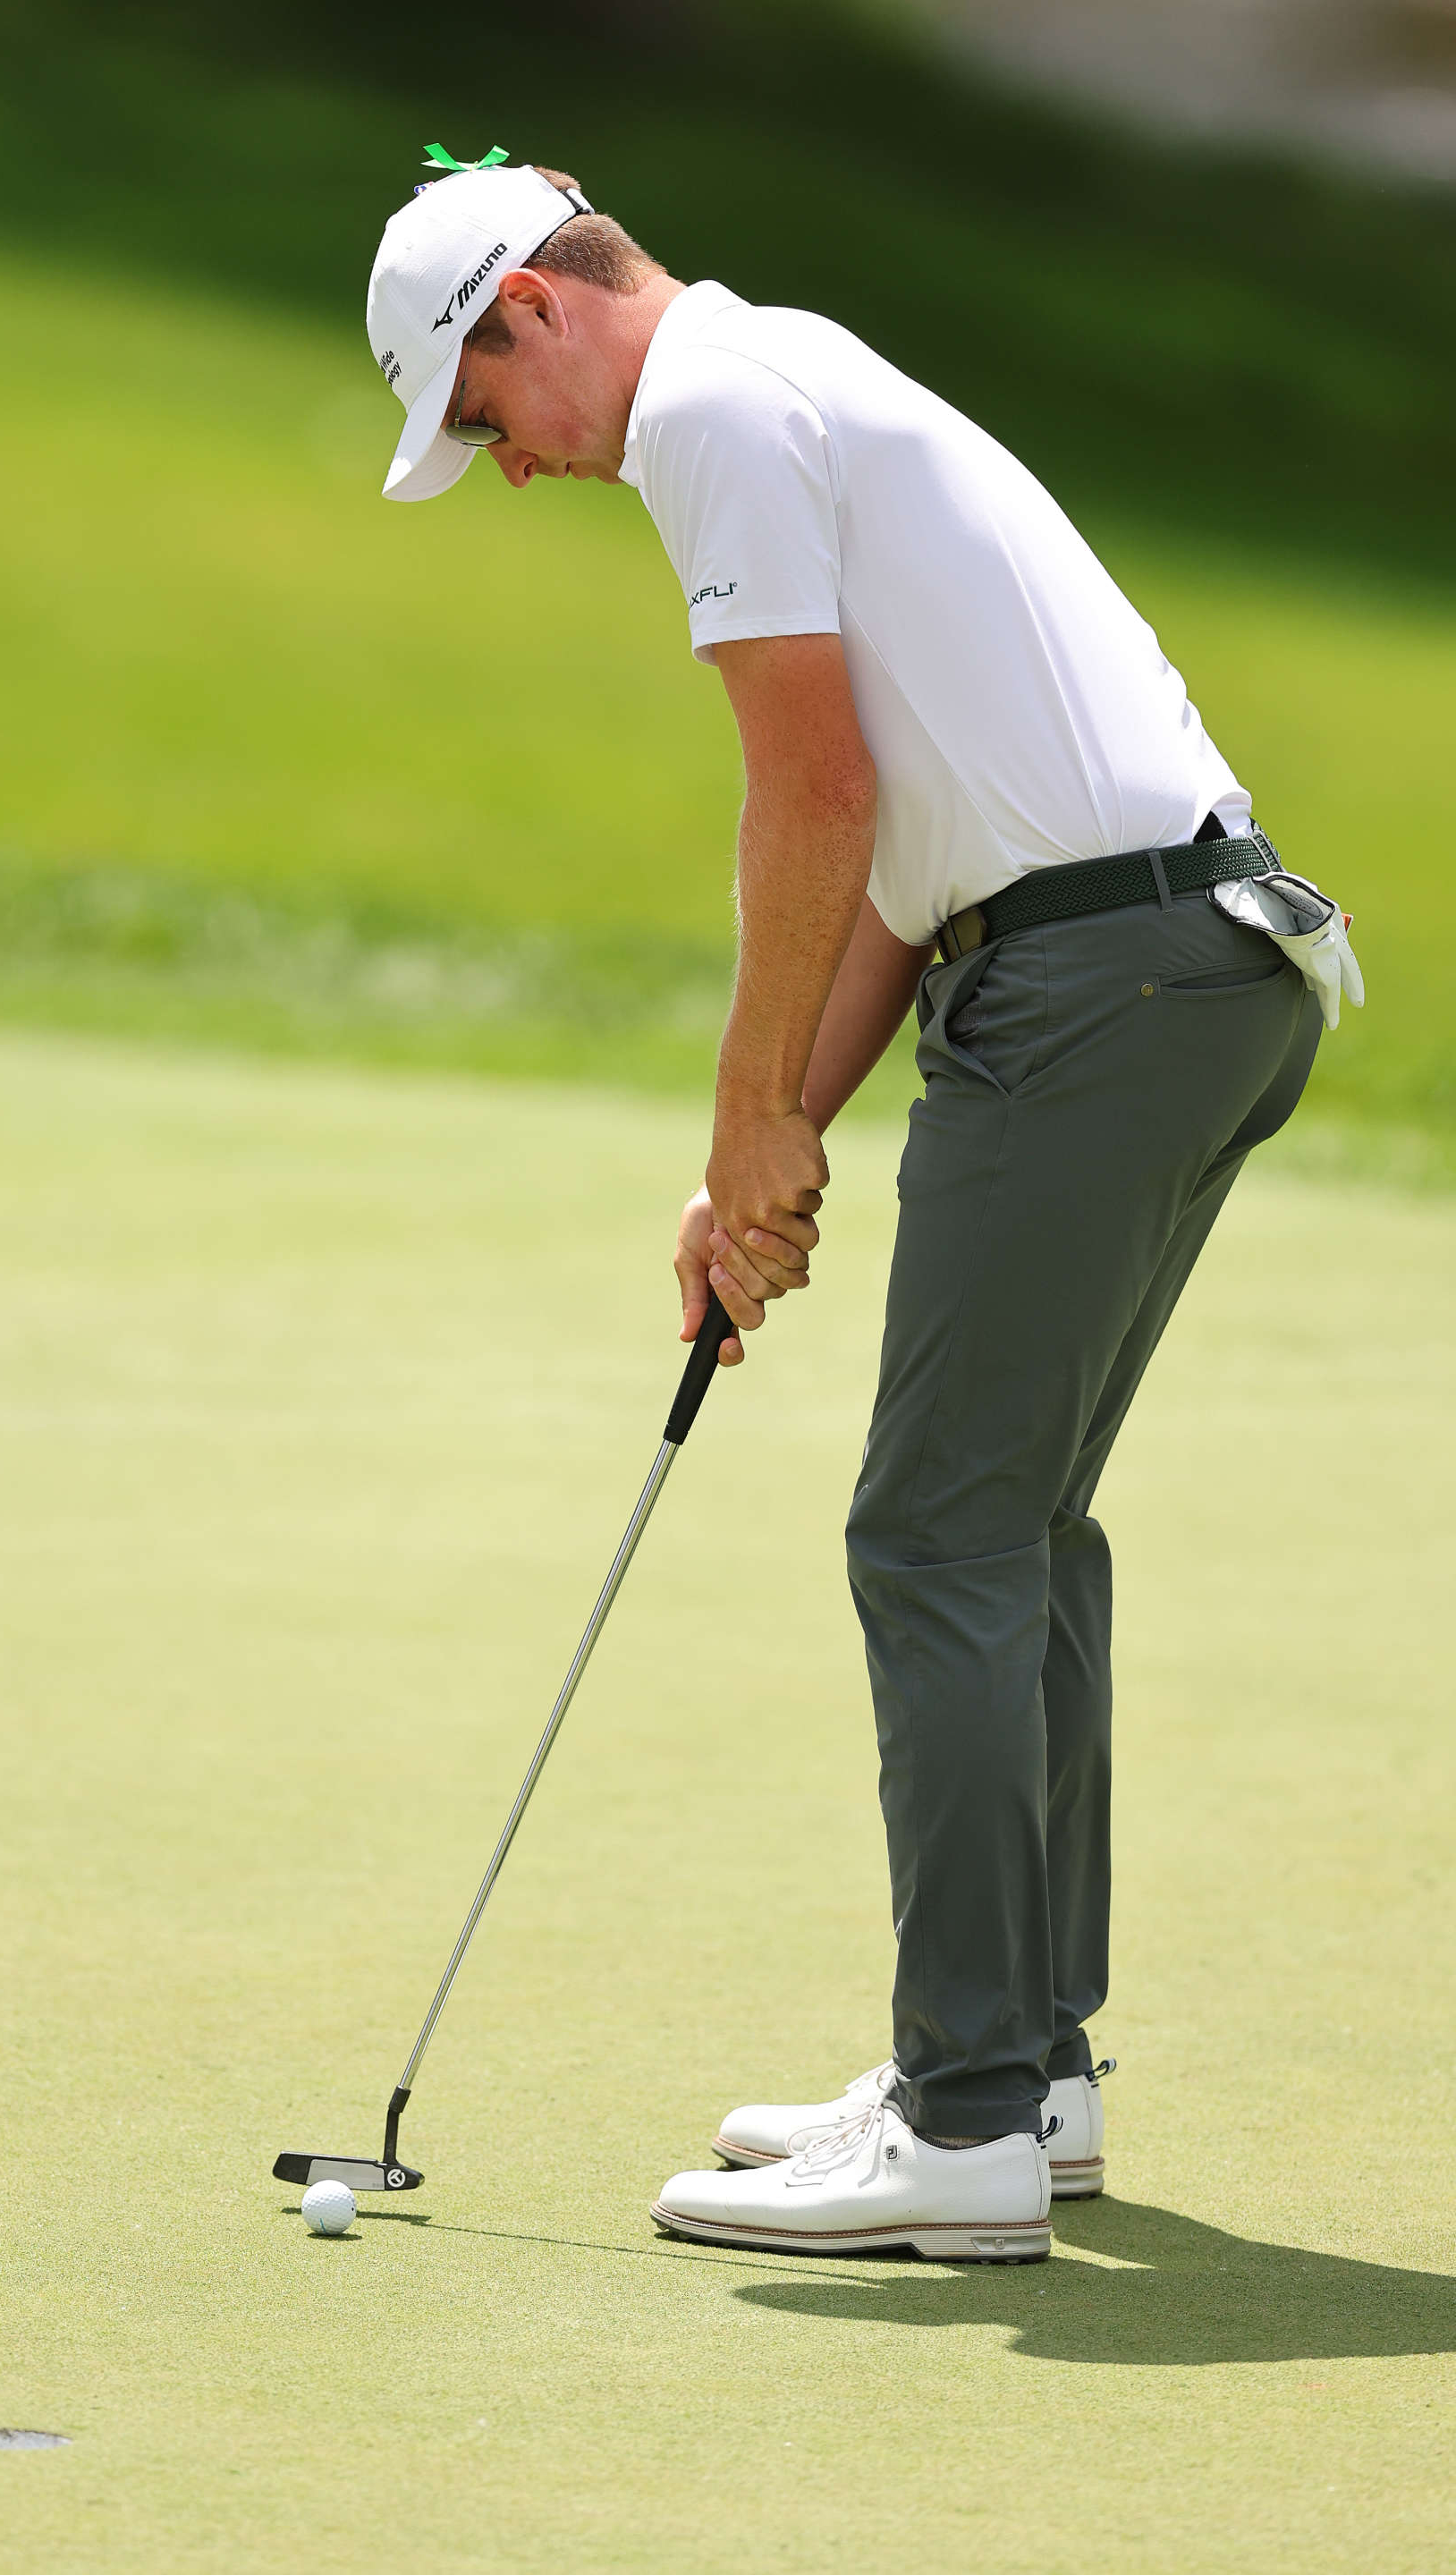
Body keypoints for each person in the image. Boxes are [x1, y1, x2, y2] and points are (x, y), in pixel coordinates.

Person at [366, 151, 1339, 2262]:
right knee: (1018, 1529)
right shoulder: (790, 375)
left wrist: (744, 1120)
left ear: (533, 307)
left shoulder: (713, 410)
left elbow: (807, 793)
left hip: (1103, 981)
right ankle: (1030, 2075)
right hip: (1182, 963)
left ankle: (970, 2121)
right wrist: (766, 1153)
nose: (502, 467)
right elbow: (900, 855)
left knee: (940, 1531)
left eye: (473, 413)